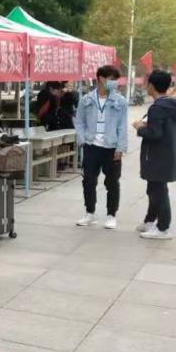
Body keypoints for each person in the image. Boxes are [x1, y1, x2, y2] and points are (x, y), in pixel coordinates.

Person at [75, 65, 128, 229]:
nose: (114, 82)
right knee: (88, 181)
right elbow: (79, 121)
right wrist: (82, 140)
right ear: (101, 78)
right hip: (92, 146)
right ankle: (90, 213)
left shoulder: (120, 101)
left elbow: (122, 126)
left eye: (116, 80)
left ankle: (111, 215)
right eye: (111, 79)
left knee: (112, 182)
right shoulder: (86, 99)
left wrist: (120, 147)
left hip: (111, 147)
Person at [133, 69, 176, 239]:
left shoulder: (157, 108)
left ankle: (163, 228)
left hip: (157, 156)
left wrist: (140, 128)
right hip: (166, 154)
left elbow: (155, 133)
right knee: (154, 189)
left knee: (158, 191)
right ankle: (150, 221)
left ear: (151, 86)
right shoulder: (169, 105)